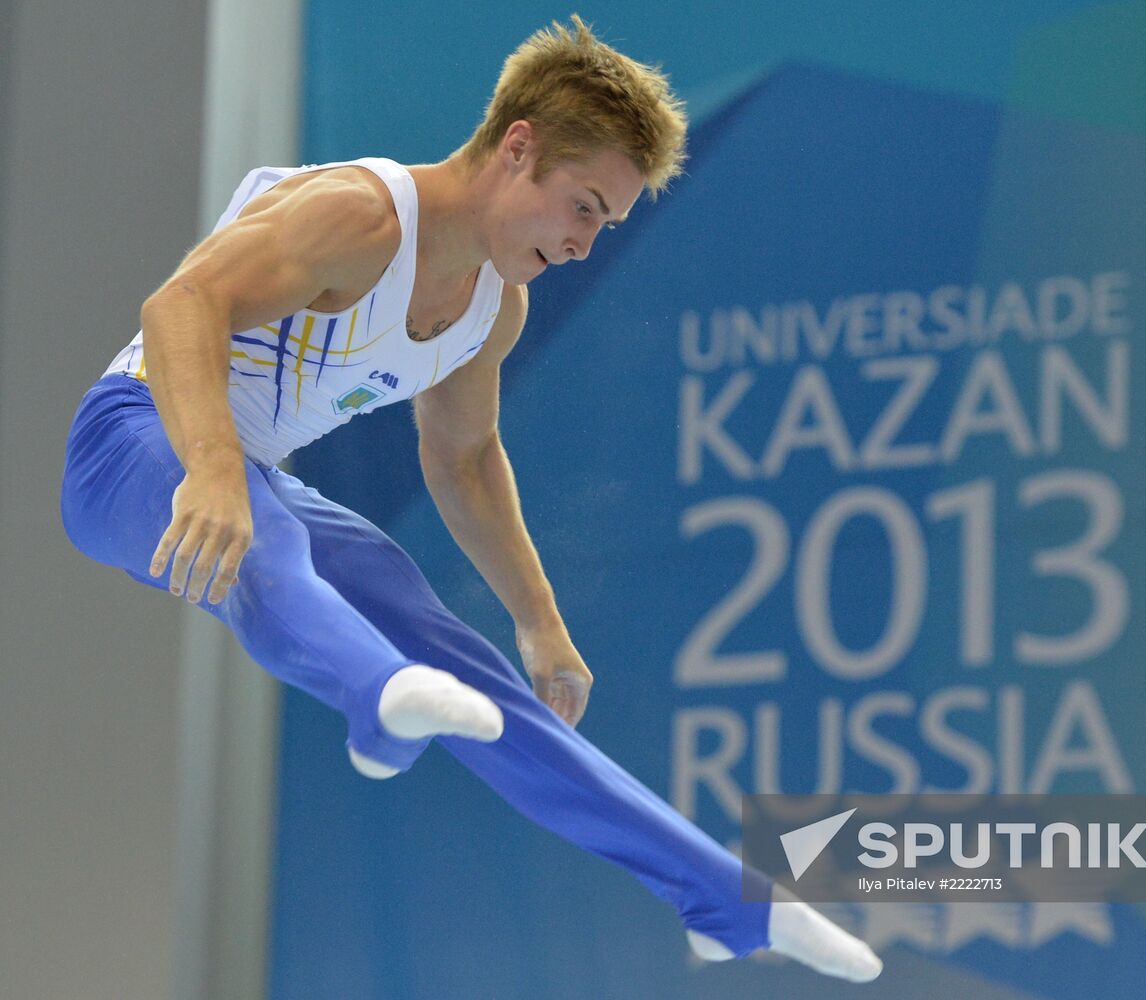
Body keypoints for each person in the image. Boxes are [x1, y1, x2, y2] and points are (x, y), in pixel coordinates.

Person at [60, 14, 882, 984]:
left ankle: (721, 897)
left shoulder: (497, 302)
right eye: (582, 208)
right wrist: (206, 466)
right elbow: (182, 304)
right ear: (518, 149)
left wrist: (540, 621)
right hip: (130, 443)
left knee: (441, 638)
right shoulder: (358, 214)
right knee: (271, 543)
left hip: (245, 473)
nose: (584, 244)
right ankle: (375, 700)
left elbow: (466, 458)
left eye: (605, 225)